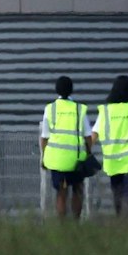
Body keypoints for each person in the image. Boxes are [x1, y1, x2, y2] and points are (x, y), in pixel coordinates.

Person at [92, 74, 128, 216]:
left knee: (117, 193)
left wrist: (85, 151)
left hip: (113, 161)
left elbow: (94, 134)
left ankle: (120, 221)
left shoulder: (106, 111)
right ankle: (127, 224)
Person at [40, 75, 90, 219]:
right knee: (77, 190)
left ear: (57, 90)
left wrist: (43, 158)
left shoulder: (50, 109)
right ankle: (76, 222)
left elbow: (45, 137)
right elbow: (87, 135)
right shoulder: (79, 109)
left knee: (61, 192)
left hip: (57, 160)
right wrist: (88, 153)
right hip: (76, 159)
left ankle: (62, 224)